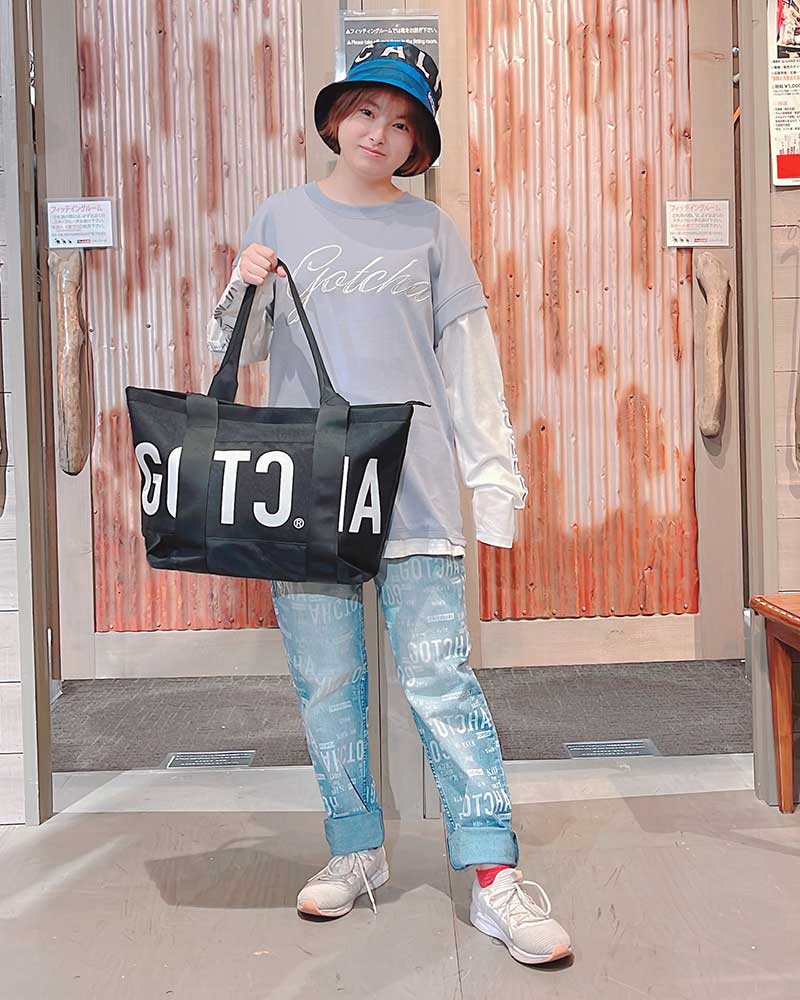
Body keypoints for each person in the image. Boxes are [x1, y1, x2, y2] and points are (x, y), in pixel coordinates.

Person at [207, 41, 572, 966]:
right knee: (327, 682)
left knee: (440, 681)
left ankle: (493, 874)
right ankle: (356, 847)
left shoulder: (433, 232)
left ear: (418, 145)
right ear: (337, 118)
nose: (382, 133)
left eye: (404, 123)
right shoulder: (281, 215)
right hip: (307, 493)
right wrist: (244, 280)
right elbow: (240, 352)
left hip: (416, 493)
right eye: (368, 111)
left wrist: (495, 486)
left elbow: (470, 368)